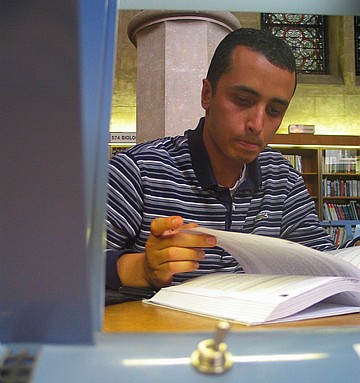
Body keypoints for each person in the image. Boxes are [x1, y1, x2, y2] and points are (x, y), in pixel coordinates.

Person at [105, 27, 356, 292]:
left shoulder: (282, 179)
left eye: (274, 111)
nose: (257, 124)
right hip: (159, 332)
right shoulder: (137, 173)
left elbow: (323, 263)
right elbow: (68, 265)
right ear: (207, 95)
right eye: (242, 100)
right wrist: (142, 268)